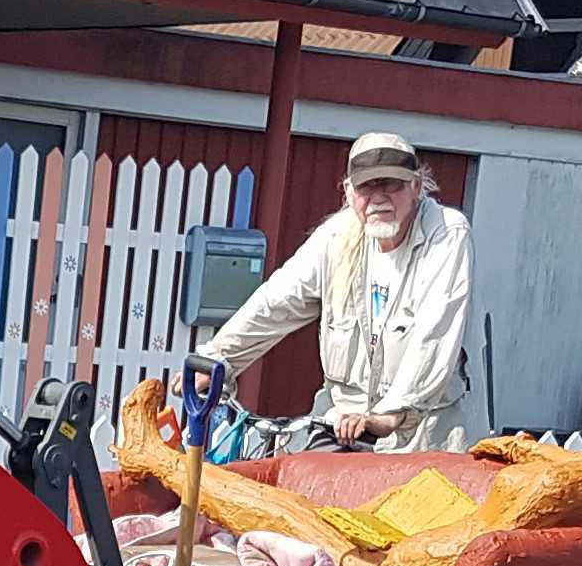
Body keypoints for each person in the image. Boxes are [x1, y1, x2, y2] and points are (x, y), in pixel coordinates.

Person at [197, 131, 474, 454]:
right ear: (348, 192)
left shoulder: (446, 233)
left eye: (391, 184)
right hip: (341, 425)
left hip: (422, 434)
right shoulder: (336, 237)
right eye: (366, 187)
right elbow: (276, 302)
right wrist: (218, 359)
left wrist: (392, 414)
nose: (378, 198)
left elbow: (434, 334)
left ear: (416, 185)